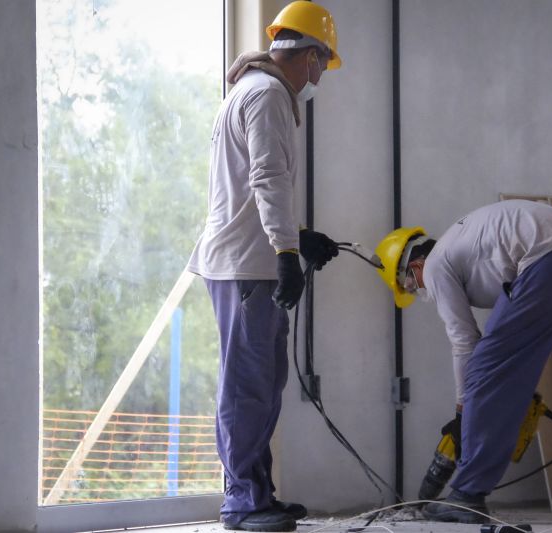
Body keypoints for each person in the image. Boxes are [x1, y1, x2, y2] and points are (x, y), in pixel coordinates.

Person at [375, 199, 552, 524]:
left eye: (409, 288)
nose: (417, 293)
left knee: (486, 368)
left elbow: (464, 342)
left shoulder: (435, 263)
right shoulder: (463, 241)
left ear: (413, 268)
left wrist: (462, 409)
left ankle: (467, 495)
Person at [187, 2, 341, 531]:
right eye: (323, 62)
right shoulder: (270, 93)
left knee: (263, 380)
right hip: (248, 267)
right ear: (311, 55)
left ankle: (258, 493)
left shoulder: (251, 90)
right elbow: (267, 178)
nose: (320, 75)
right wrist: (286, 253)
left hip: (249, 259)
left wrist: (298, 239)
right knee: (249, 385)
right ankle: (243, 501)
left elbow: (249, 188)